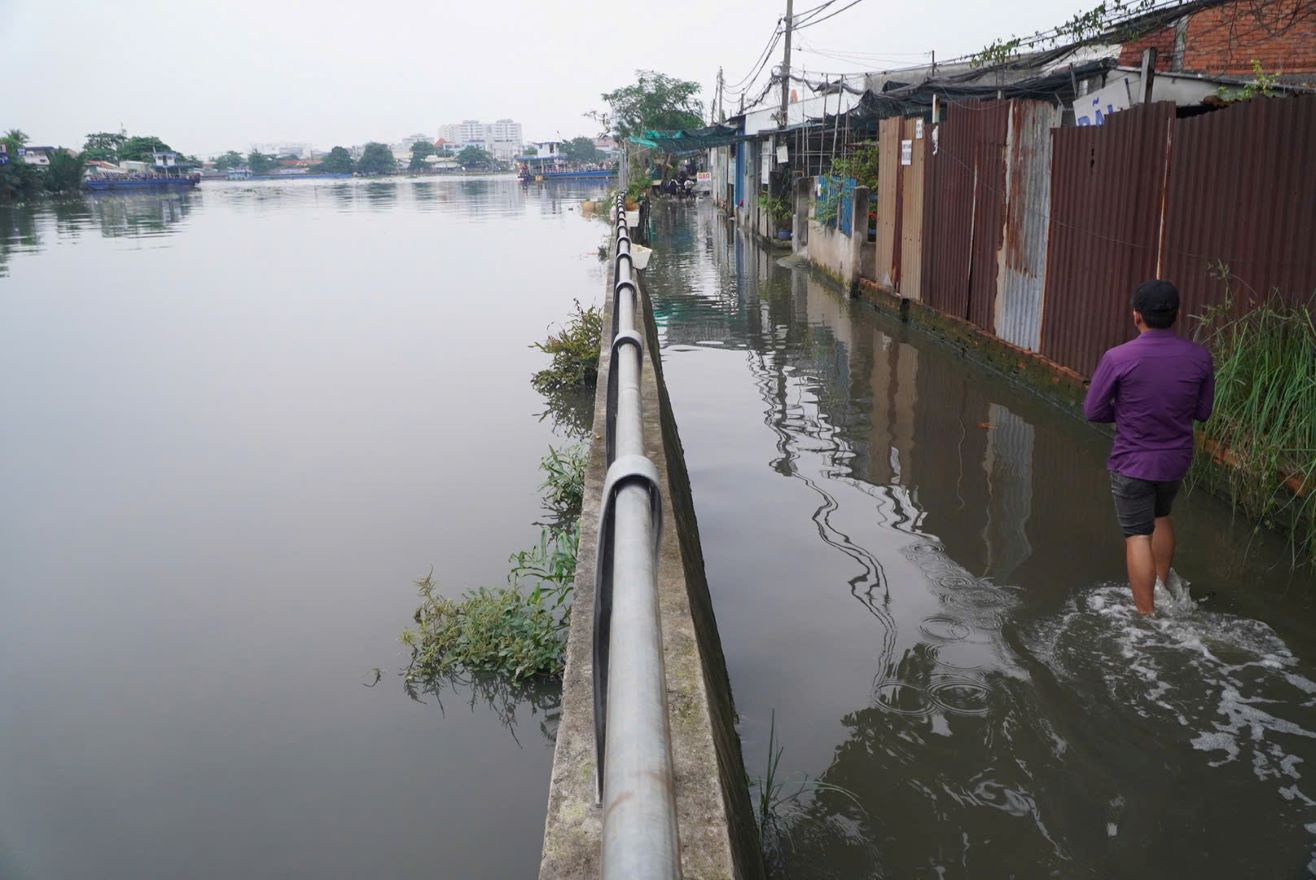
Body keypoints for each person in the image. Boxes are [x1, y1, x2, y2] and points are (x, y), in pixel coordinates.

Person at [1083, 280, 1215, 615]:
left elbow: (1093, 411)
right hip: (1175, 460)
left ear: (1136, 316)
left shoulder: (1118, 358)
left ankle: (1146, 614)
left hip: (1133, 461)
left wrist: (1128, 413)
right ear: (1178, 315)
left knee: (1137, 534)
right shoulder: (1200, 357)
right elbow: (1202, 412)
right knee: (1161, 515)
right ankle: (1160, 582)